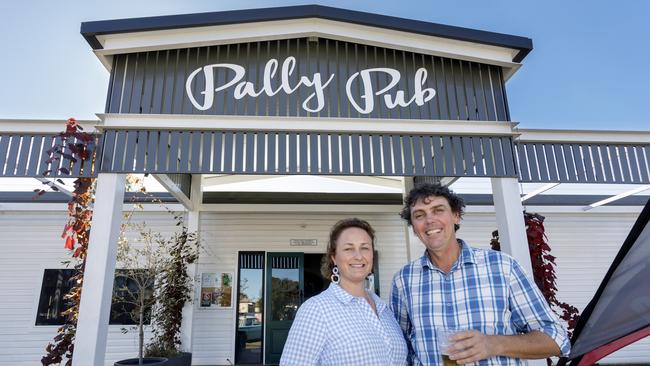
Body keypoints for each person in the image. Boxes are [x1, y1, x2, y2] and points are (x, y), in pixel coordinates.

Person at [390, 183, 571, 365]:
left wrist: (493, 344)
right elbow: (400, 349)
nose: (429, 220)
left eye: (438, 210)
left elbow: (557, 339)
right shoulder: (403, 280)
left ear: (456, 216)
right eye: (419, 215)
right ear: (414, 227)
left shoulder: (503, 267)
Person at [281, 218, 408, 366]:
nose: (358, 256)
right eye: (348, 248)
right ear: (334, 257)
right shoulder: (316, 310)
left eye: (365, 248)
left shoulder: (384, 309)